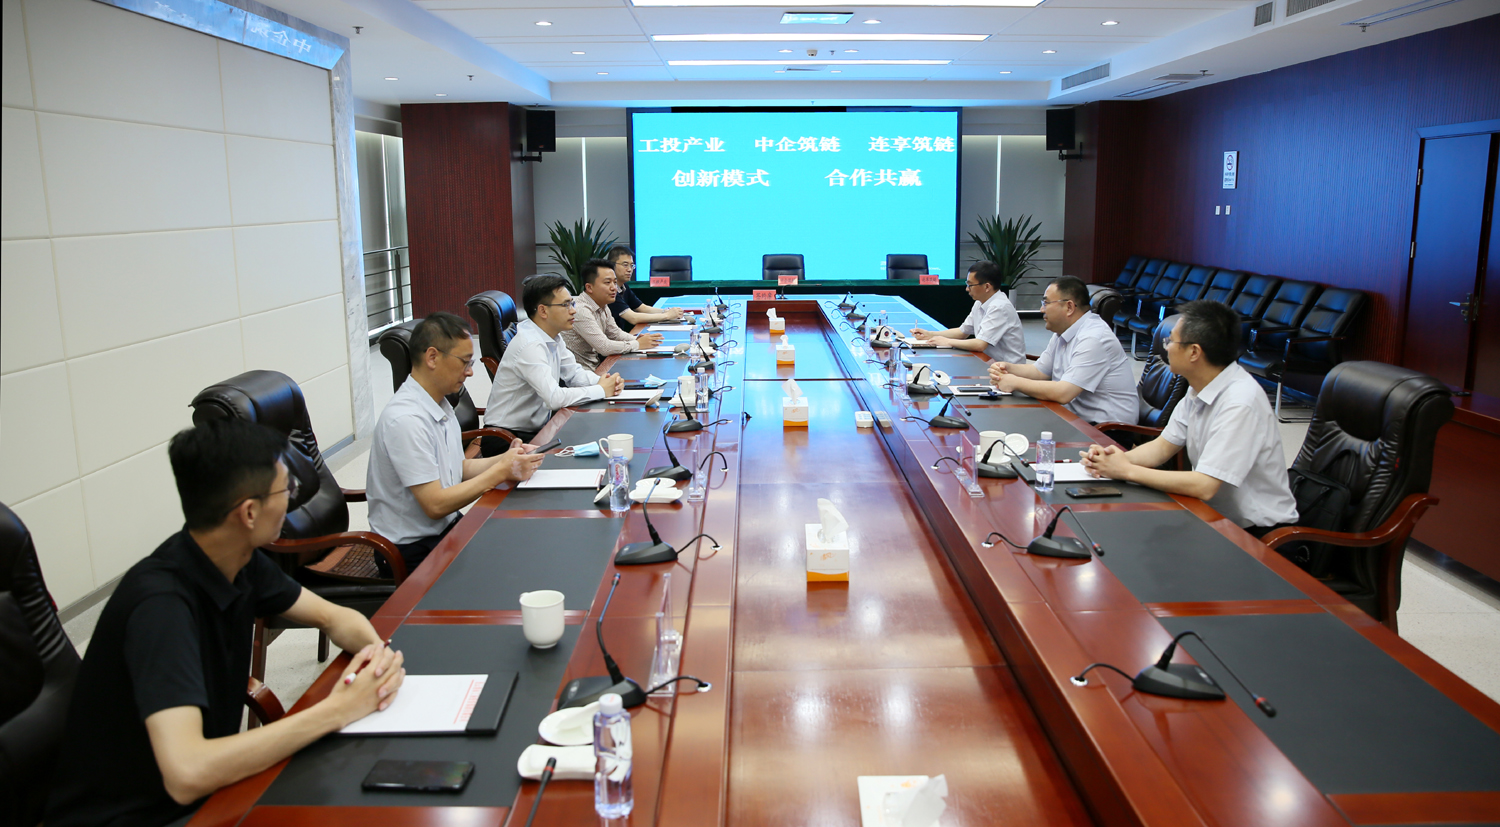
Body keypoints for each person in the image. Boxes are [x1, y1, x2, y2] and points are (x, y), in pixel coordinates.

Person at [45, 420, 406, 827]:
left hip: (207, 794)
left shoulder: (236, 559)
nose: (292, 499)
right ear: (249, 512)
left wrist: (376, 658)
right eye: (286, 490)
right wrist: (336, 711)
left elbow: (333, 616)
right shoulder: (161, 607)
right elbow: (187, 773)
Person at [1080, 299, 1299, 535]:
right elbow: (1162, 448)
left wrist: (1126, 471)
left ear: (1194, 352)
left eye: (1170, 341)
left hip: (1257, 533)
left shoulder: (1240, 402)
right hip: (1213, 516)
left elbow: (1205, 485)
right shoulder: (1199, 387)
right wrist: (1114, 460)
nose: (1165, 347)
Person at [368, 312, 544, 572]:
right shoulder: (405, 420)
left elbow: (456, 468)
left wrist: (508, 458)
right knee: (509, 567)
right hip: (410, 549)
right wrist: (500, 472)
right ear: (432, 357)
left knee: (522, 542)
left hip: (443, 530)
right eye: (465, 362)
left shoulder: (438, 402)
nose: (470, 372)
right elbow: (435, 504)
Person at [485, 274, 625, 442]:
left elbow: (574, 374)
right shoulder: (530, 345)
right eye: (566, 305)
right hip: (507, 438)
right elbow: (554, 398)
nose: (573, 310)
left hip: (538, 428)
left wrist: (605, 382)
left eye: (572, 303)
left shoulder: (552, 335)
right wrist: (601, 390)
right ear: (543, 311)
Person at [987, 276, 1137, 424]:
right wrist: (1008, 368)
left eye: (1046, 303)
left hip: (1106, 428)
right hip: (1074, 416)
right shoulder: (1063, 332)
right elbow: (1039, 372)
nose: (1041, 309)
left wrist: (1014, 382)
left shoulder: (1094, 338)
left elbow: (1063, 393)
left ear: (1069, 307)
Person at [908, 261, 1025, 363]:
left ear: (987, 287)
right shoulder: (980, 302)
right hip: (988, 362)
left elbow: (980, 344)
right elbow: (962, 332)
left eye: (970, 285)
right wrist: (930, 334)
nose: (967, 289)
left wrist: (947, 342)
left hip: (1008, 370)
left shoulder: (999, 307)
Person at [563, 258, 664, 370]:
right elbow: (604, 347)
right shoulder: (580, 310)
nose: (614, 288)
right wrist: (638, 344)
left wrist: (635, 339)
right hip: (581, 373)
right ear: (589, 287)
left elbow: (615, 334)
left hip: (595, 368)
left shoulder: (603, 305)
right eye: (607, 282)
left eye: (615, 282)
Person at [605, 245, 685, 331]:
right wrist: (667, 316)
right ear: (612, 266)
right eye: (625, 265)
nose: (629, 269)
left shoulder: (624, 287)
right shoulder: (610, 290)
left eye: (632, 265)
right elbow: (633, 318)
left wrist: (666, 311)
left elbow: (642, 308)